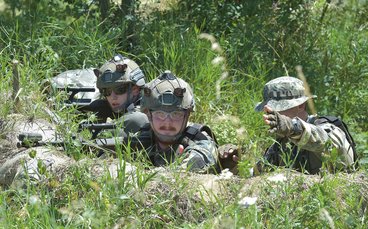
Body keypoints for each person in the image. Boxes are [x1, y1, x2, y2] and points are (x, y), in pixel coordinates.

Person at [254, 76, 356, 174]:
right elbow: (260, 174)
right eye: (269, 109)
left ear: (300, 105)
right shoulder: (281, 143)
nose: (271, 113)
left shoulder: (327, 128)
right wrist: (239, 167)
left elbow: (326, 141)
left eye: (279, 108)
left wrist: (293, 127)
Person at [140, 70, 220, 172]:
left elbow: (192, 165)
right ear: (148, 114)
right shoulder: (143, 136)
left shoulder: (200, 141)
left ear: (187, 115)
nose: (167, 123)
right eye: (160, 114)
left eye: (176, 114)